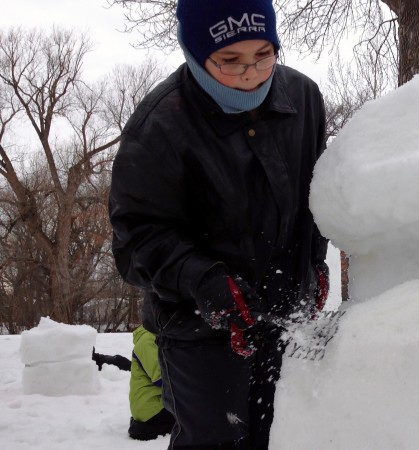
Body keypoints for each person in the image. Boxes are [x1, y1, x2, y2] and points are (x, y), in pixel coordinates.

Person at [108, 0, 329, 448]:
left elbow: (319, 196)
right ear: (194, 52)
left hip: (287, 315)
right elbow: (135, 242)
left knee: (284, 434)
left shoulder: (302, 99)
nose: (250, 72)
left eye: (264, 54)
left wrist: (315, 264)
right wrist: (205, 281)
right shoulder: (160, 126)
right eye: (230, 60)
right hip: (199, 330)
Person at [128, 325, 176, 441]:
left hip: (153, 403)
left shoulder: (156, 337)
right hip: (151, 407)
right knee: (193, 416)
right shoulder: (147, 341)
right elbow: (161, 378)